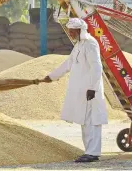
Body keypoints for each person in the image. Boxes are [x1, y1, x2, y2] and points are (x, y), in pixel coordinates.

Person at [40, 18, 108, 162]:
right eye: (69, 30)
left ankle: (93, 153)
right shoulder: (79, 45)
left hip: (91, 91)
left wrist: (92, 88)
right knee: (85, 121)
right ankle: (89, 152)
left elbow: (97, 67)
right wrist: (51, 77)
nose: (69, 33)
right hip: (83, 91)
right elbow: (68, 63)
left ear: (80, 30)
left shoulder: (90, 44)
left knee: (92, 121)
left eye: (72, 31)